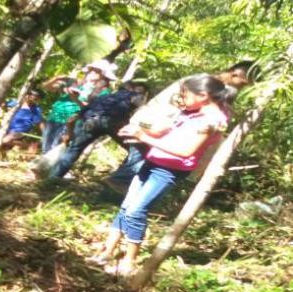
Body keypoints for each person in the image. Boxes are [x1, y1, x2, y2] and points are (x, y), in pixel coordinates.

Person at [90, 75, 232, 276]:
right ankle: (106, 252)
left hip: (169, 170)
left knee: (135, 211)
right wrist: (139, 128)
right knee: (126, 207)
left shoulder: (212, 121)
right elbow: (162, 130)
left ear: (203, 95)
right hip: (153, 162)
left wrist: (144, 137)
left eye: (186, 94)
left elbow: (185, 151)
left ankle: (129, 262)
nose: (183, 98)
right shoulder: (190, 112)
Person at [103, 61, 258, 194]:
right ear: (234, 75)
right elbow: (177, 107)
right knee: (133, 170)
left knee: (136, 170)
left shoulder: (217, 90)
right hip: (155, 127)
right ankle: (117, 199)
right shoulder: (204, 84)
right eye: (244, 83)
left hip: (161, 131)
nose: (243, 88)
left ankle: (113, 200)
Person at [46, 81, 148, 179]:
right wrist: (146, 127)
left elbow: (76, 116)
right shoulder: (134, 95)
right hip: (113, 123)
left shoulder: (104, 97)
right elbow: (142, 114)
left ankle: (53, 177)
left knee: (74, 149)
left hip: (90, 120)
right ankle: (119, 179)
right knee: (138, 150)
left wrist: (69, 132)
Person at [40, 59, 117, 154]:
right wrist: (56, 78)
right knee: (45, 147)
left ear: (103, 76)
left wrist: (75, 98)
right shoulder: (75, 83)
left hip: (71, 122)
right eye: (91, 69)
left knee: (55, 149)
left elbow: (92, 109)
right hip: (55, 117)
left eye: (97, 70)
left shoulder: (104, 92)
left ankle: (46, 168)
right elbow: (46, 87)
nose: (92, 72)